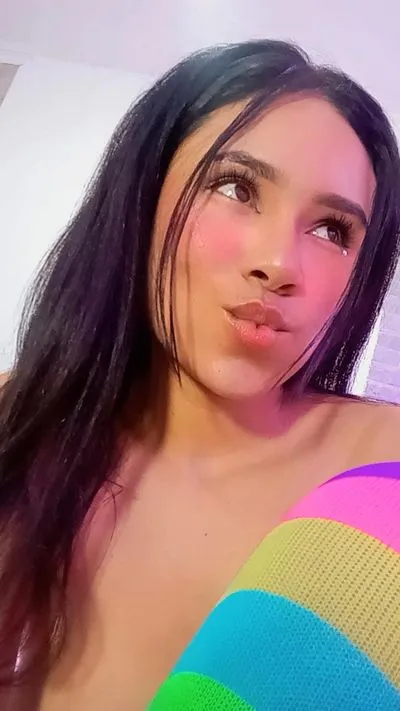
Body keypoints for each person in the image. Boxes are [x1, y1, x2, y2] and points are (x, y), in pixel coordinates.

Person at [0, 38, 400, 710]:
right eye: (235, 187)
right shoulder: (21, 422)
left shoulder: (384, 466)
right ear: (142, 196)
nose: (280, 263)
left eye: (332, 229)